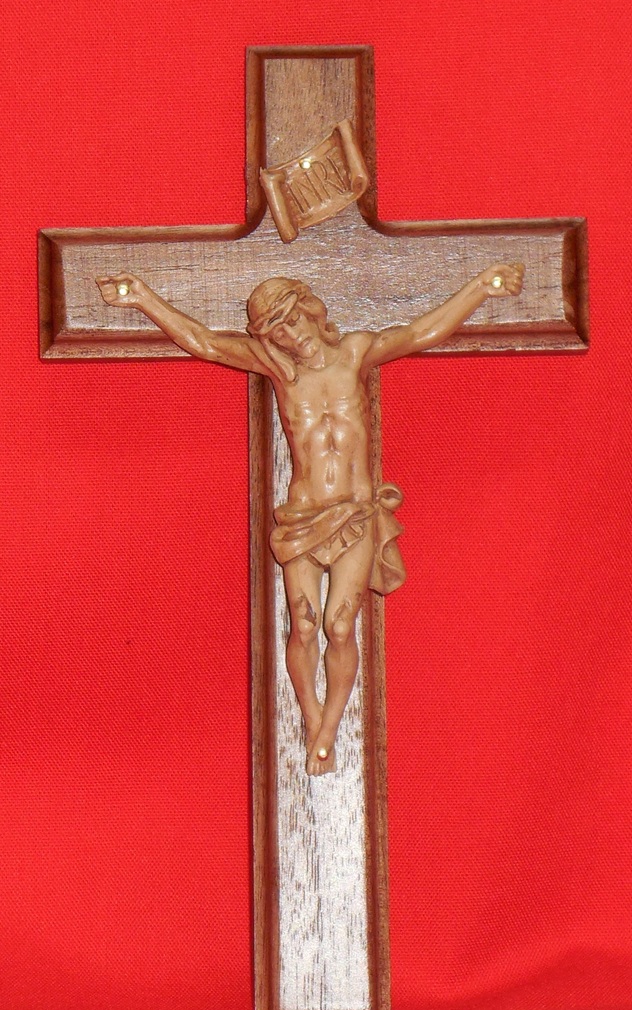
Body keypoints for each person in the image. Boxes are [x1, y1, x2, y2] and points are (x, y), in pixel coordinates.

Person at [96, 263, 524, 776]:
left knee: (340, 626)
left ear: (310, 310)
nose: (289, 335)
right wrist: (143, 298)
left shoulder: (355, 353)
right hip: (303, 517)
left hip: (355, 513)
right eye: (276, 330)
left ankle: (329, 729)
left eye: (292, 320)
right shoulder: (281, 371)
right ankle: (312, 716)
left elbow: (418, 333)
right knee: (303, 624)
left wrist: (480, 288)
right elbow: (206, 343)